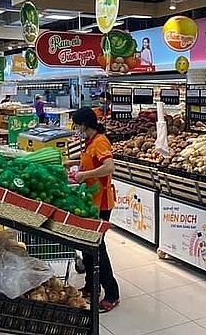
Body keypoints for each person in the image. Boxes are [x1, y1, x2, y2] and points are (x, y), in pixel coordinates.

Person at [68, 107, 120, 312]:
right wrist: (70, 163)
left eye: (77, 124)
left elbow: (109, 166)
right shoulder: (89, 142)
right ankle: (91, 285)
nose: (75, 128)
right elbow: (87, 162)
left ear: (85, 124)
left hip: (101, 202)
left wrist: (85, 175)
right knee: (86, 244)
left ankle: (112, 293)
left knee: (97, 247)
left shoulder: (100, 141)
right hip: (90, 200)